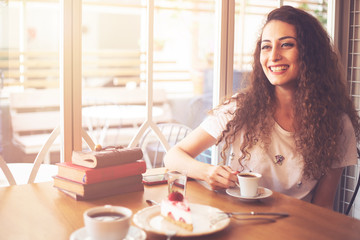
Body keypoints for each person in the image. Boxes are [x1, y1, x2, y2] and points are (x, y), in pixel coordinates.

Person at [163, 5, 360, 209]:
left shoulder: (337, 124)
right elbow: (173, 156)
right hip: (237, 221)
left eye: (286, 45)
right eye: (266, 46)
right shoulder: (239, 108)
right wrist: (207, 172)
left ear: (311, 54)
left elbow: (323, 206)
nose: (273, 56)